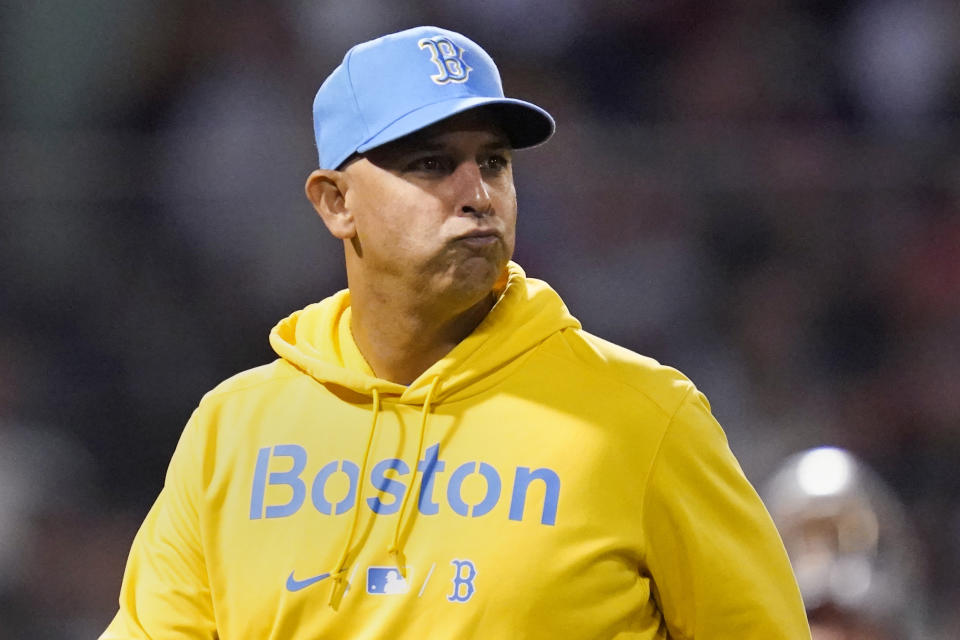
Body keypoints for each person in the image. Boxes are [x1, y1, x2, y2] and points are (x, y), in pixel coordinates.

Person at [101, 26, 810, 639]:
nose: (477, 193)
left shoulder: (645, 420)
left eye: (494, 162)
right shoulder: (234, 433)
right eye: (432, 163)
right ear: (336, 202)